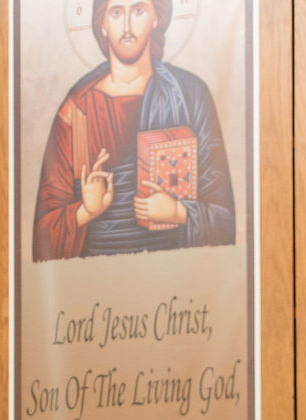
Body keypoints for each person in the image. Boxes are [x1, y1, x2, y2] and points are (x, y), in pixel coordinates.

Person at [32, 0, 235, 260]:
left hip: (175, 278)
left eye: (138, 10)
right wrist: (85, 211)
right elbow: (44, 234)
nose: (127, 26)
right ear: (102, 24)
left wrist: (179, 212)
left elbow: (224, 217)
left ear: (156, 18)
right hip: (97, 283)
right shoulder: (76, 109)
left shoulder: (191, 95)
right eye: (116, 12)